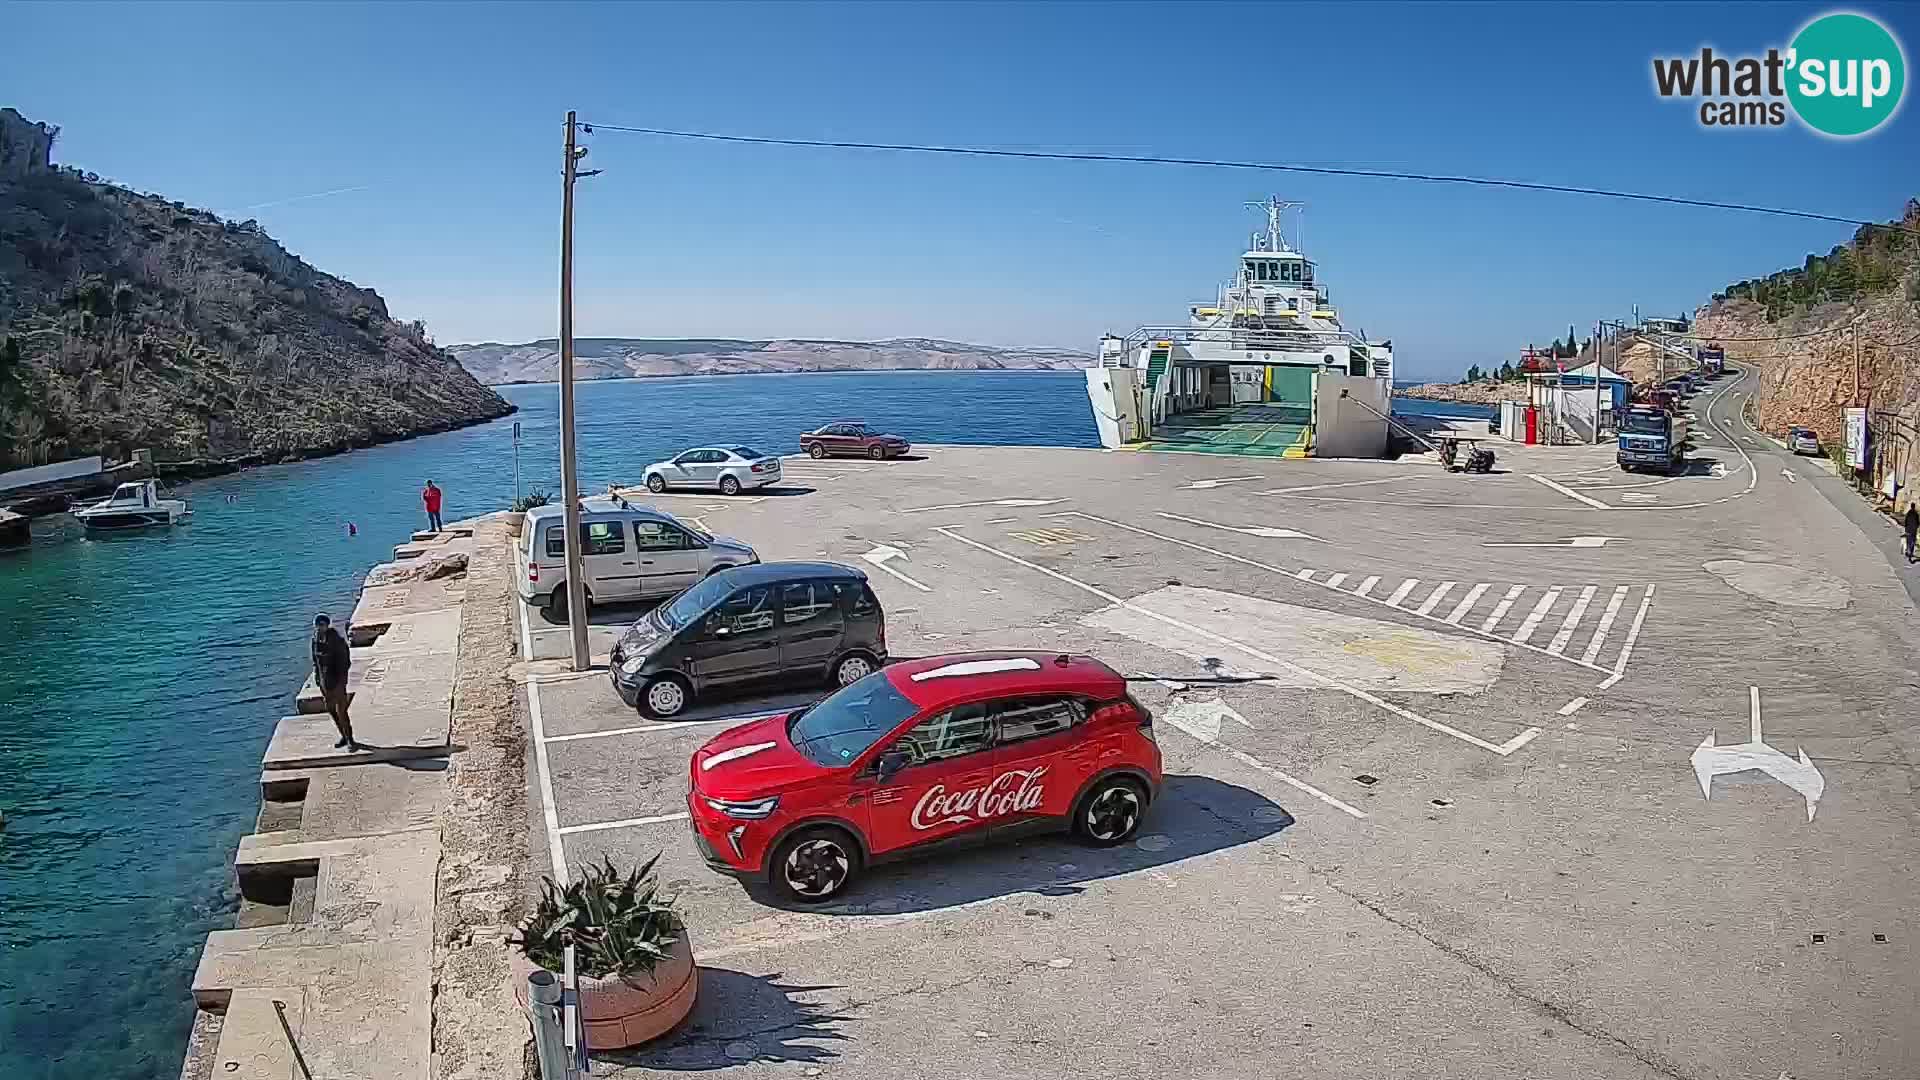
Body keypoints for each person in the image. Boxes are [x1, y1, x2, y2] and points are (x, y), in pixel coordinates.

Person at [311, 614, 358, 751]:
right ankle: (343, 735)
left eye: (322, 625)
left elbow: (345, 662)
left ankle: (350, 740)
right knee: (331, 709)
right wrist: (318, 677)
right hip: (324, 682)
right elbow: (315, 660)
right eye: (318, 625)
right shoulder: (315, 639)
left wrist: (341, 681)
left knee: (341, 711)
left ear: (327, 625)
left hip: (337, 682)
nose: (320, 628)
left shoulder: (337, 640)